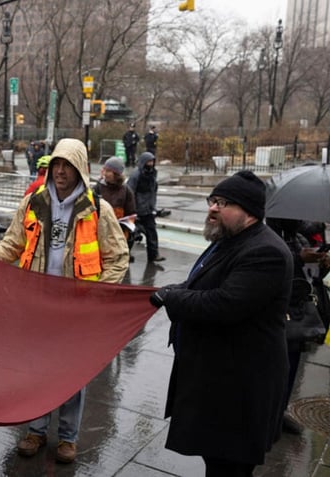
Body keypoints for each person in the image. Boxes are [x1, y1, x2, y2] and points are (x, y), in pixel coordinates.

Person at [0, 138, 128, 464]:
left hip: (75, 310)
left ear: (80, 170)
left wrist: (96, 297)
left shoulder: (99, 209)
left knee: (71, 374)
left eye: (67, 165)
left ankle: (68, 438)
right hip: (36, 307)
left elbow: (118, 258)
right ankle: (36, 429)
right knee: (34, 369)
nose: (59, 171)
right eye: (56, 164)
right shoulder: (32, 203)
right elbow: (11, 246)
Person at [149, 171, 292, 476]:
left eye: (224, 202)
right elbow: (202, 283)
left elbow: (223, 304)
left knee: (229, 467)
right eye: (212, 200)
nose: (213, 208)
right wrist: (176, 289)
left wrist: (171, 298)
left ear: (250, 212)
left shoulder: (265, 252)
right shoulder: (230, 239)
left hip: (241, 390)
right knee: (217, 461)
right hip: (220, 379)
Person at [266, 217, 327, 435]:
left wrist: (321, 265)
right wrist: (299, 258)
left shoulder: (299, 237)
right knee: (270, 371)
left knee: (290, 369)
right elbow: (270, 266)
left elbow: (312, 278)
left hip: (298, 314)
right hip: (274, 316)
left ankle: (279, 413)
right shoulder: (266, 236)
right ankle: (265, 417)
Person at [93, 156, 137, 261]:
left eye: (108, 171)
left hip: (119, 231)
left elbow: (131, 213)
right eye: (105, 170)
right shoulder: (98, 187)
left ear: (116, 174)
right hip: (101, 229)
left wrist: (125, 229)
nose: (105, 173)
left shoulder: (126, 190)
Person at [128, 152, 165, 262]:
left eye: (152, 161)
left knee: (151, 233)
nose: (151, 163)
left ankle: (153, 255)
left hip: (148, 210)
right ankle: (125, 254)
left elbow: (153, 191)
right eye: (149, 161)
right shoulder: (136, 175)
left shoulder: (152, 174)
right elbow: (130, 192)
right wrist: (132, 209)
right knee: (131, 235)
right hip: (137, 210)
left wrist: (153, 207)